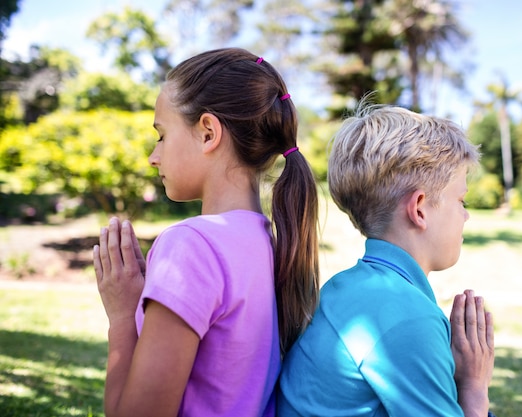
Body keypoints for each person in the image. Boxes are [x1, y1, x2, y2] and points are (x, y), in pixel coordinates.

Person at [93, 47, 320, 417]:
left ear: (208, 133)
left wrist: (121, 316)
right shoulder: (268, 244)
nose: (154, 156)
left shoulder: (191, 246)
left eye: (162, 136)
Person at [278, 102, 495, 417]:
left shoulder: (344, 288)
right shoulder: (405, 317)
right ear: (419, 208)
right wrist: (474, 389)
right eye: (461, 200)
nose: (466, 215)